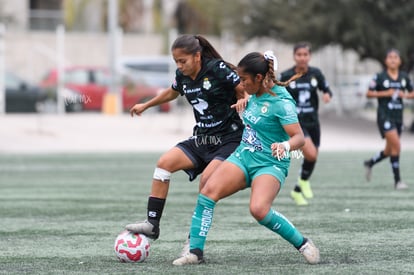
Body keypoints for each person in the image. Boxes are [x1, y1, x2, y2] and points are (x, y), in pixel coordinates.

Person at [172, 51, 320, 266]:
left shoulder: (282, 102)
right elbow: (250, 100)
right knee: (207, 193)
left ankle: (303, 243)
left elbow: (299, 139)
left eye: (244, 80)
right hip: (243, 156)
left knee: (259, 210)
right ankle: (195, 252)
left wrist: (285, 145)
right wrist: (245, 100)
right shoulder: (253, 93)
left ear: (259, 78)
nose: (240, 84)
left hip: (269, 163)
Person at [125, 34, 247, 240]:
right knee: (164, 163)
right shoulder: (182, 76)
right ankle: (152, 224)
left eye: (183, 61)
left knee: (207, 182)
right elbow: (172, 93)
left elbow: (244, 89)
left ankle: (194, 240)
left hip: (229, 139)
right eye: (176, 62)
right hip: (203, 139)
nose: (179, 66)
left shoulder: (217, 69)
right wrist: (146, 105)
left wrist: (244, 99)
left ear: (197, 56)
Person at [279, 42, 333, 206]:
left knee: (312, 156)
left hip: (313, 122)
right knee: (311, 154)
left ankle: (297, 189)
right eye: (299, 55)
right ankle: (303, 183)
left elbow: (326, 89)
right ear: (294, 56)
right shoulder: (286, 75)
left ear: (309, 56)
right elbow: (279, 96)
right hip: (297, 123)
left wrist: (327, 95)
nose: (302, 58)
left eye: (305, 54)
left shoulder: (316, 73)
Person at [363, 48, 414, 189]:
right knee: (397, 145)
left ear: (400, 61)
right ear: (385, 61)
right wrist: (386, 93)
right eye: (390, 57)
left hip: (398, 117)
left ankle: (369, 163)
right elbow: (368, 93)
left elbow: (412, 92)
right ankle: (397, 182)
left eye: (395, 57)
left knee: (389, 150)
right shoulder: (379, 77)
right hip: (384, 116)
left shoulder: (404, 77)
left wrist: (406, 95)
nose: (392, 59)